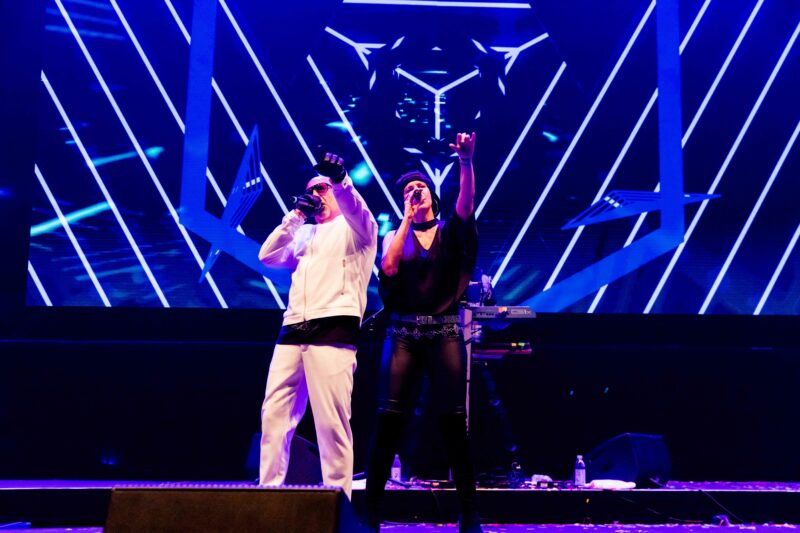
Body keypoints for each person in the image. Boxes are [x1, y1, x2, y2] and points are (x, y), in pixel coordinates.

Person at [365, 132, 483, 532]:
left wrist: (466, 162)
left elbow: (466, 204)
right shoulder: (395, 236)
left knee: (453, 422)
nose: (416, 192)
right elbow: (390, 268)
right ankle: (372, 513)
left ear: (433, 195)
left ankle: (469, 513)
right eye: (408, 190)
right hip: (403, 334)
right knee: (388, 421)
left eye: (421, 187)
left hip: (445, 332)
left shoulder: (451, 230)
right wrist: (405, 218)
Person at [257, 153, 378, 499]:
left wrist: (339, 180)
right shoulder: (304, 233)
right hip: (293, 328)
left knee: (331, 423)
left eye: (321, 189)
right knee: (274, 416)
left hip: (333, 328)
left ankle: (338, 503)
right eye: (311, 190)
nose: (316, 195)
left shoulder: (358, 229)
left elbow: (354, 204)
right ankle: (267, 496)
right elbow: (267, 255)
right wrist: (296, 216)